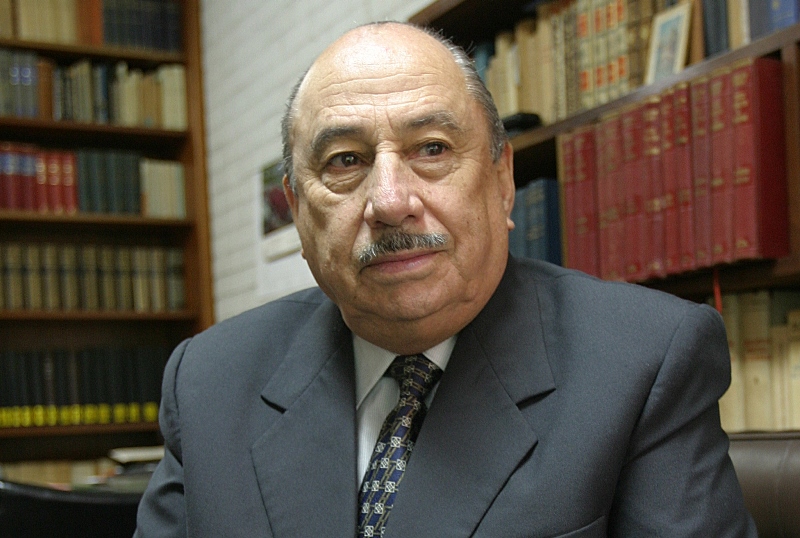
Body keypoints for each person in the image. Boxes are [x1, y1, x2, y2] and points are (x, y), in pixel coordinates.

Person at [134, 21, 756, 537]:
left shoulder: (644, 362)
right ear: (297, 211)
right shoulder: (209, 383)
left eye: (431, 148)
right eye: (345, 161)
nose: (390, 201)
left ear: (502, 181)